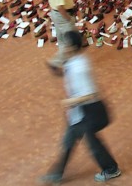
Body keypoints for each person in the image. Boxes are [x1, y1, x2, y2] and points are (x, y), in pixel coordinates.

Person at [39, 30, 121, 184]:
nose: (62, 47)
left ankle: (111, 169)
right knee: (70, 140)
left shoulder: (80, 67)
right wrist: (59, 73)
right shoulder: (76, 60)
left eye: (65, 45)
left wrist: (70, 102)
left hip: (89, 111)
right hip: (79, 111)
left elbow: (90, 94)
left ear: (71, 47)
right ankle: (57, 173)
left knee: (92, 143)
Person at [44, 0, 78, 72]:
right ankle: (55, 62)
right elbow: (60, 6)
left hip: (55, 14)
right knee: (71, 40)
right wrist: (68, 18)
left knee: (62, 39)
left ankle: (64, 61)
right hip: (63, 15)